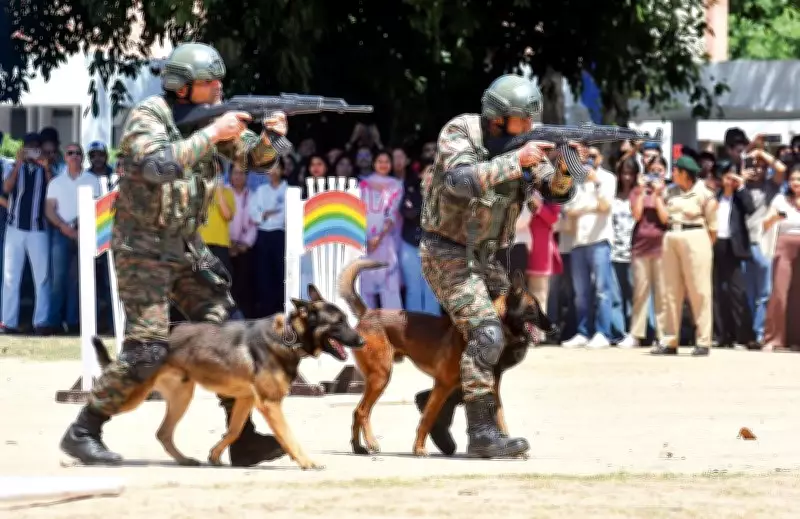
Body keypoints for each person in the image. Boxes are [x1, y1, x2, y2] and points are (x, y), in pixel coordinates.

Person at [58, 42, 289, 466]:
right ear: (182, 88)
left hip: (185, 246)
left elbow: (255, 159)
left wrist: (273, 136)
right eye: (208, 82)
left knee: (228, 332)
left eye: (219, 81)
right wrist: (211, 134)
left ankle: (242, 437)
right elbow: (157, 166)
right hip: (142, 248)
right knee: (147, 348)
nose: (219, 87)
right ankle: (83, 430)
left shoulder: (212, 120)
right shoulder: (148, 116)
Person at [416, 74, 579, 458]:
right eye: (523, 120)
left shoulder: (526, 147)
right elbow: (458, 180)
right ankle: (483, 434)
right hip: (446, 252)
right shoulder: (461, 131)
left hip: (485, 257)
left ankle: (438, 403)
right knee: (488, 334)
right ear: (497, 118)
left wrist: (567, 167)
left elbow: (557, 193)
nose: (529, 128)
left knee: (506, 333)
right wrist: (514, 160)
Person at [651, 156, 717, 357]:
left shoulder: (704, 194)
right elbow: (664, 218)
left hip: (696, 235)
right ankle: (670, 340)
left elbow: (713, 227)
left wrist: (704, 246)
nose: (673, 174)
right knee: (669, 291)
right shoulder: (670, 192)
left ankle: (703, 341)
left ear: (685, 174)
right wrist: (656, 197)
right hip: (671, 235)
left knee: (699, 290)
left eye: (677, 171)